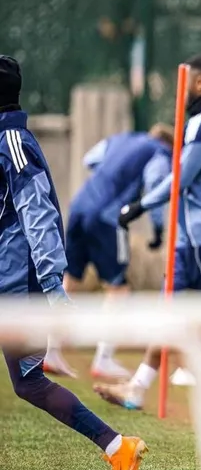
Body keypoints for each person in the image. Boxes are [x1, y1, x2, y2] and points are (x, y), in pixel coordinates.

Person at [0, 54, 147, 470]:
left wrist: (53, 287)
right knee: (28, 383)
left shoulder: (12, 141)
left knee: (28, 381)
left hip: (18, 283)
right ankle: (118, 447)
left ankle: (117, 446)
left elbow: (39, 215)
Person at [93, 54, 201, 414]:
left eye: (184, 84)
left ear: (200, 83)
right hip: (191, 239)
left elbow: (182, 177)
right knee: (169, 311)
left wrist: (140, 205)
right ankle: (137, 388)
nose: (181, 92)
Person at [41, 126, 173, 381]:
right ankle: (103, 359)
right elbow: (156, 182)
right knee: (118, 289)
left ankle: (51, 352)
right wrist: (158, 228)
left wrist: (111, 176)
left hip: (80, 207)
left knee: (69, 281)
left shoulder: (120, 139)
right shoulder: (160, 153)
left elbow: (89, 159)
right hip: (108, 218)